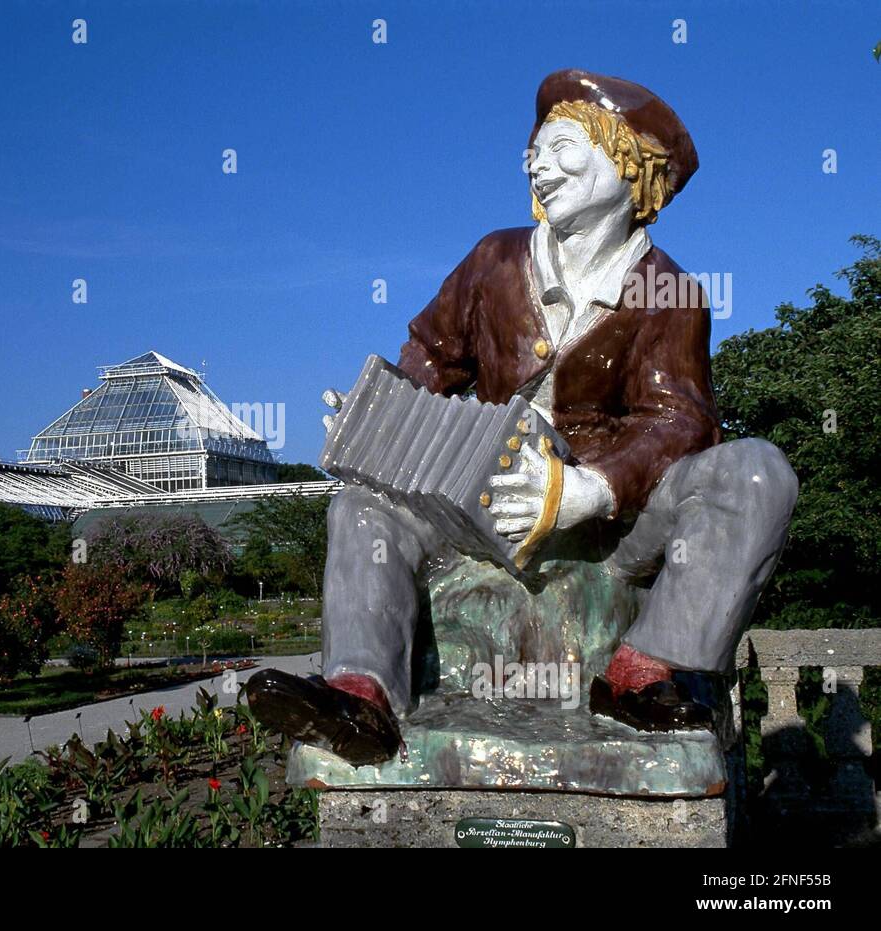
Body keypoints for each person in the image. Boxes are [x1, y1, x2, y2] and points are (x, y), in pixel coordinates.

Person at [246, 69, 798, 765]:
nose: (538, 163)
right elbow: (430, 355)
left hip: (609, 533)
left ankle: (642, 672)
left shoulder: (670, 292)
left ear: (630, 163)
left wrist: (586, 491)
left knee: (754, 473)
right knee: (361, 502)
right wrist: (374, 416)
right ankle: (361, 698)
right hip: (476, 514)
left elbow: (680, 422)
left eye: (562, 146)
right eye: (534, 150)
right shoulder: (493, 260)